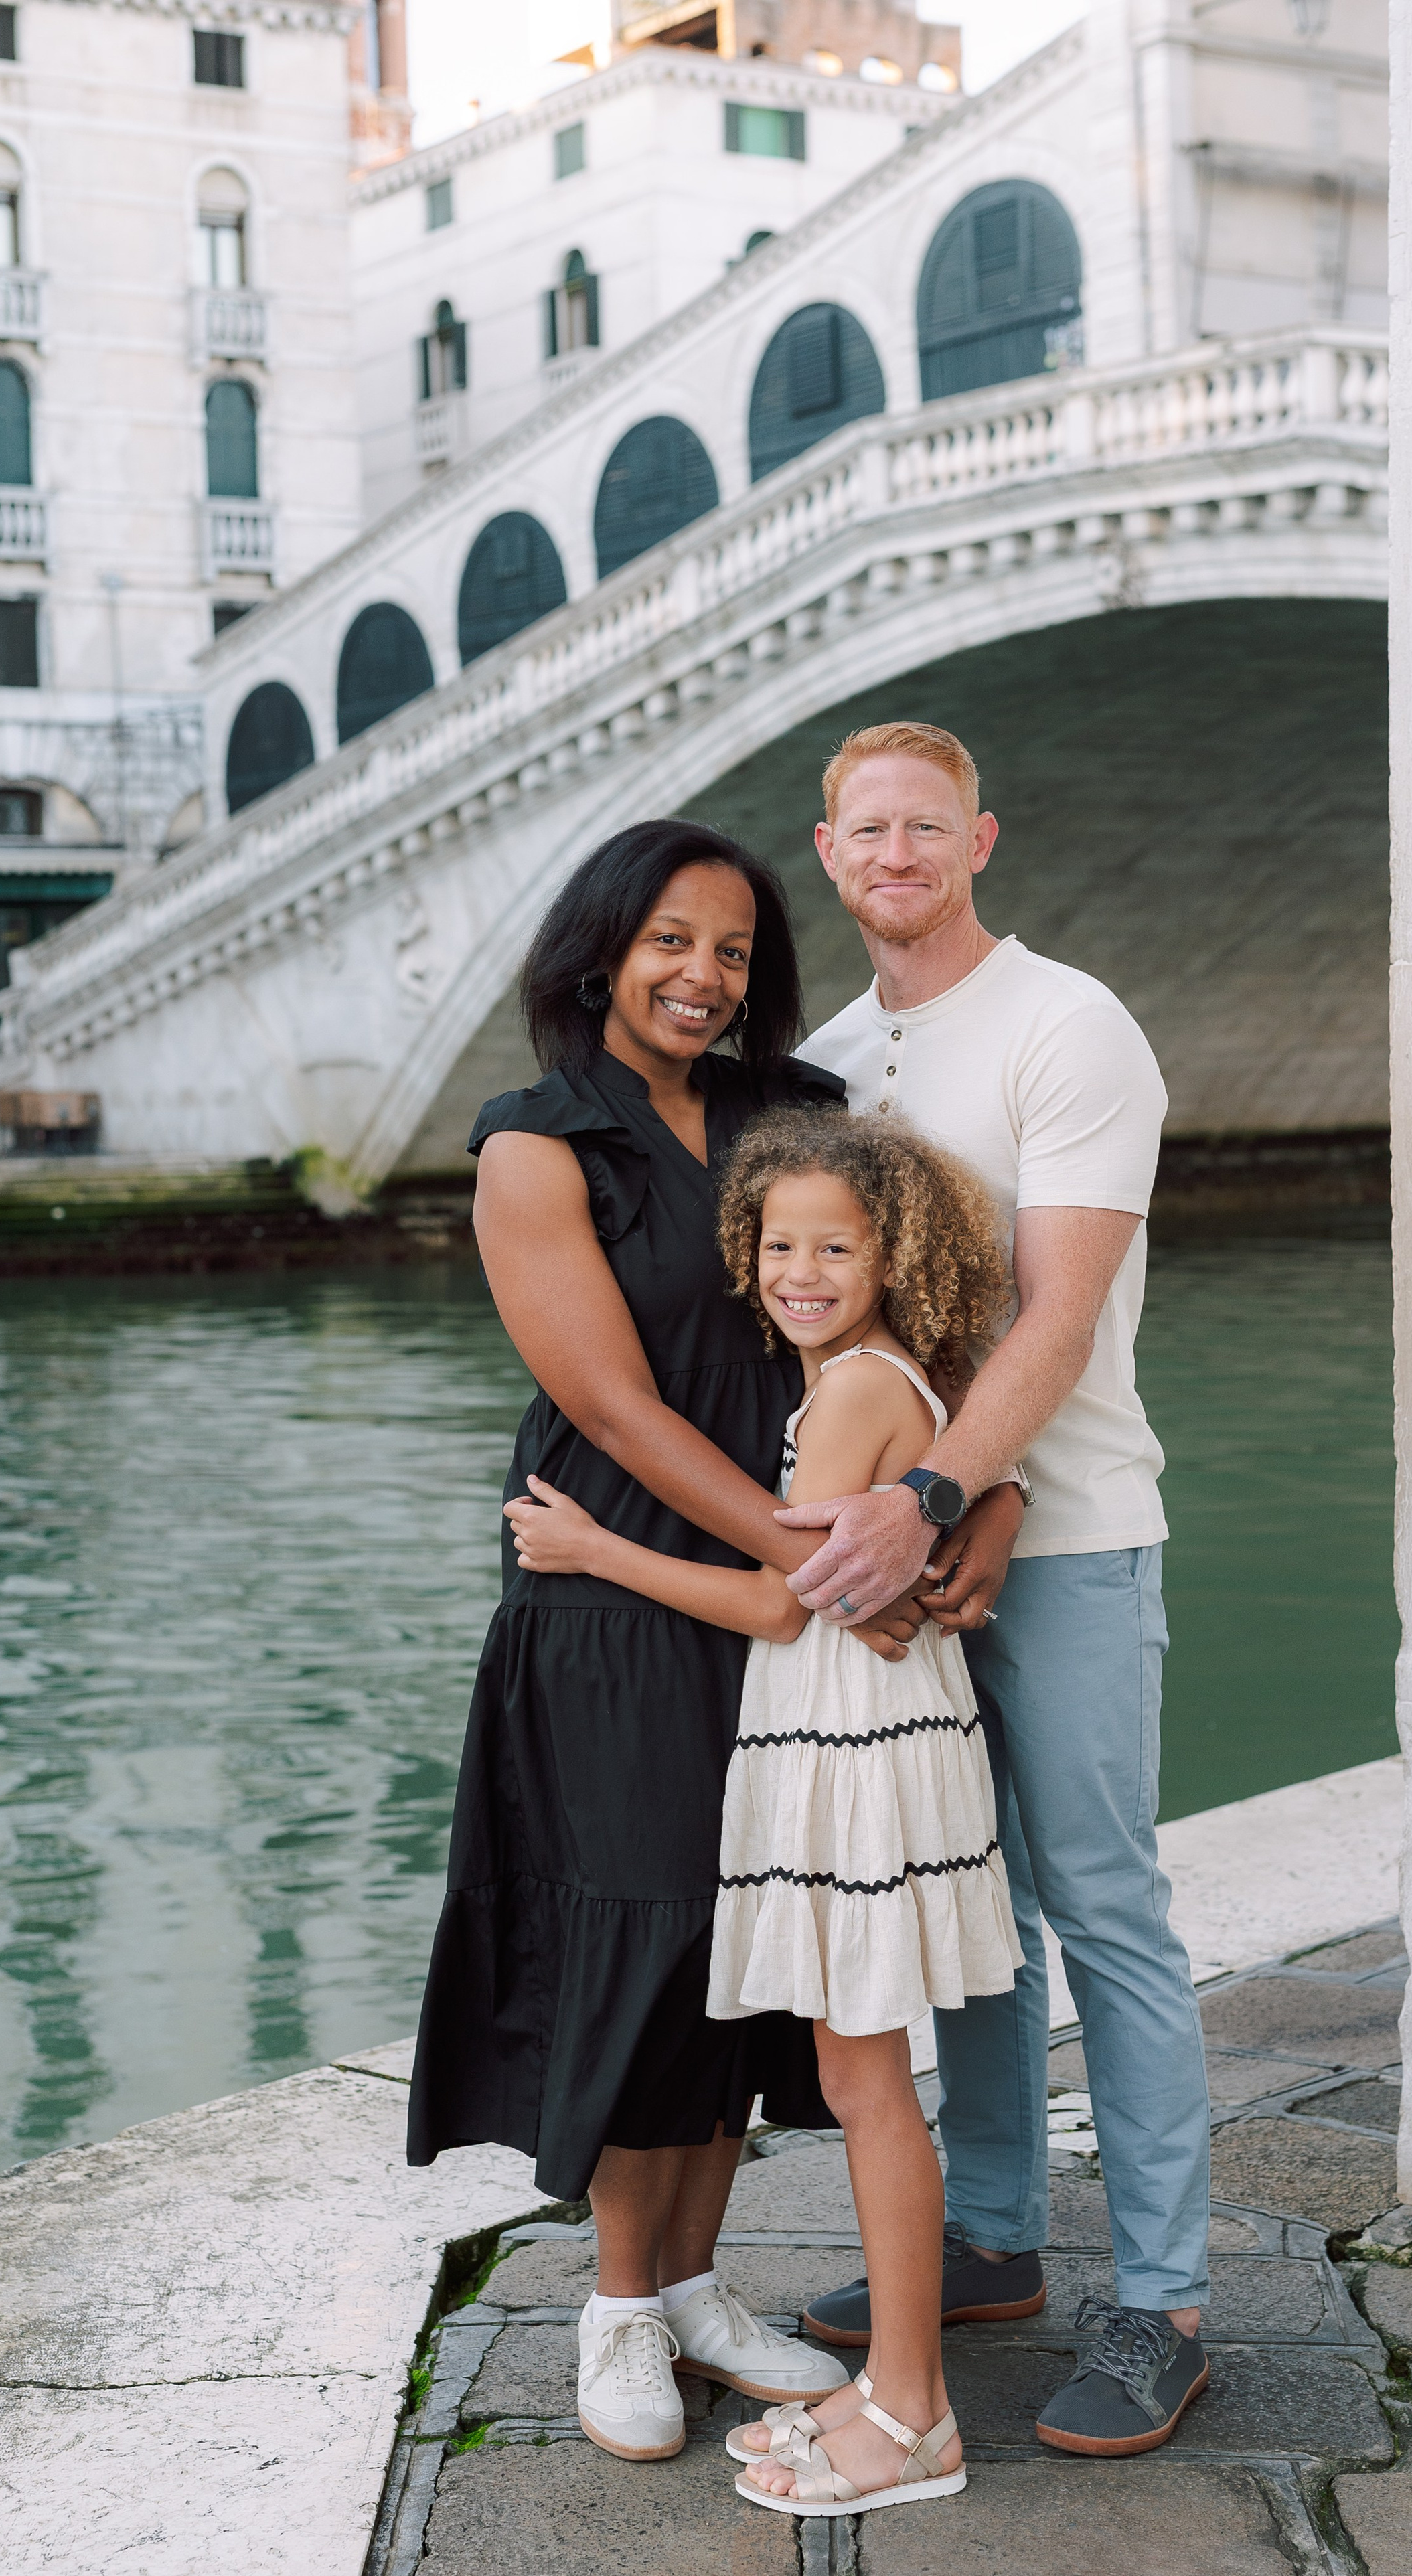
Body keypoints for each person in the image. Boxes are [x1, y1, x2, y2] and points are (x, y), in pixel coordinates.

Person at [406, 821, 980, 2464]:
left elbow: (915, 1312)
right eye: (670, 940)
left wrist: (947, 1514)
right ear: (600, 946)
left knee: (753, 1953)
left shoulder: (789, 1112)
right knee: (645, 1931)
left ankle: (702, 2286)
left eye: (729, 950)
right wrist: (810, 1556)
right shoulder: (535, 1144)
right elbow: (612, 1404)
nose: (700, 974)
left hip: (776, 1585)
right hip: (618, 1587)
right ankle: (615, 2308)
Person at [783, 722, 1214, 2458]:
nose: (896, 852)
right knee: (964, 1903)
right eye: (866, 828)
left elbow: (1059, 1307)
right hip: (913, 1527)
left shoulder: (1068, 1024)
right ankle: (994, 2239)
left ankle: (1169, 2302)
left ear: (982, 840)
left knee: (1103, 1900)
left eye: (927, 825)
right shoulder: (822, 1063)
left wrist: (956, 1485)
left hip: (1074, 1524)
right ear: (828, 852)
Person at [511, 1107, 1025, 2520]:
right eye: (776, 1241)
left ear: (888, 1252)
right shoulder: (871, 1379)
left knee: (867, 2085)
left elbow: (768, 1598)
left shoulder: (856, 1390)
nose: (799, 1267)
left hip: (855, 1753)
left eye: (834, 1244)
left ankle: (910, 2411)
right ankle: (896, 2393)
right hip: (857, 1738)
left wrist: (591, 1546)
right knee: (866, 2079)